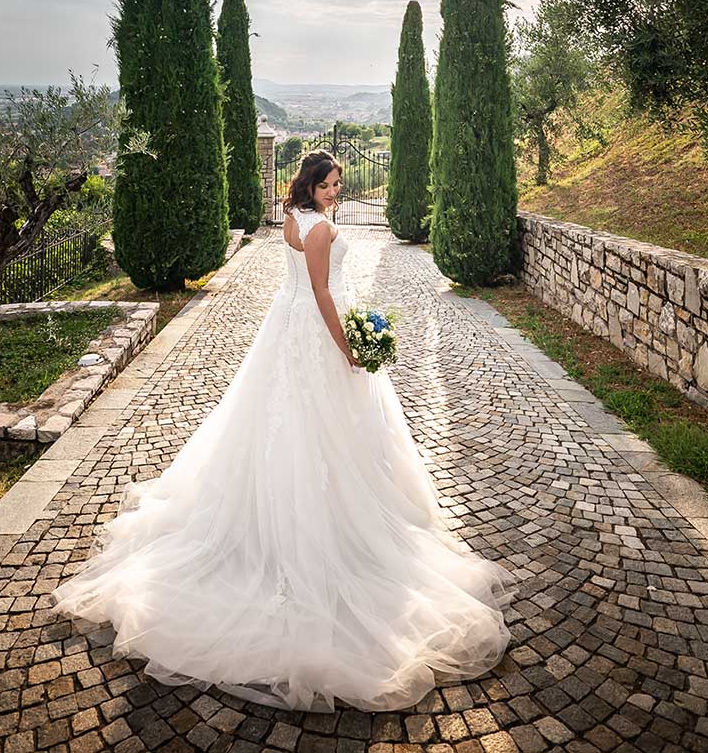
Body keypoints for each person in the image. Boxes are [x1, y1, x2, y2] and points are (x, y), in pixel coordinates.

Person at [47, 150, 513, 712]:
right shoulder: (316, 230)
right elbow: (321, 294)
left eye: (339, 184)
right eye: (329, 185)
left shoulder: (292, 219)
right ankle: (328, 529)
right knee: (322, 427)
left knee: (291, 422)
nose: (336, 192)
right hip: (317, 329)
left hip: (286, 326)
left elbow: (307, 287)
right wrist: (349, 349)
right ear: (311, 185)